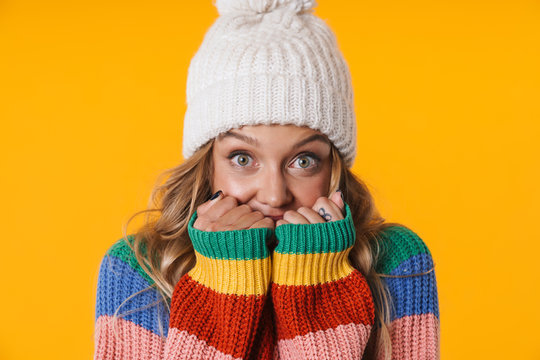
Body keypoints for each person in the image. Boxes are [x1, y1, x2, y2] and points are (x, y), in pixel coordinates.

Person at [93, 0, 440, 359]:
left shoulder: (394, 264)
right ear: (206, 164)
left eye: (303, 161)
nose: (275, 196)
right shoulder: (141, 269)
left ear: (333, 168)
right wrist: (224, 287)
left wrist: (315, 287)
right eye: (242, 159)